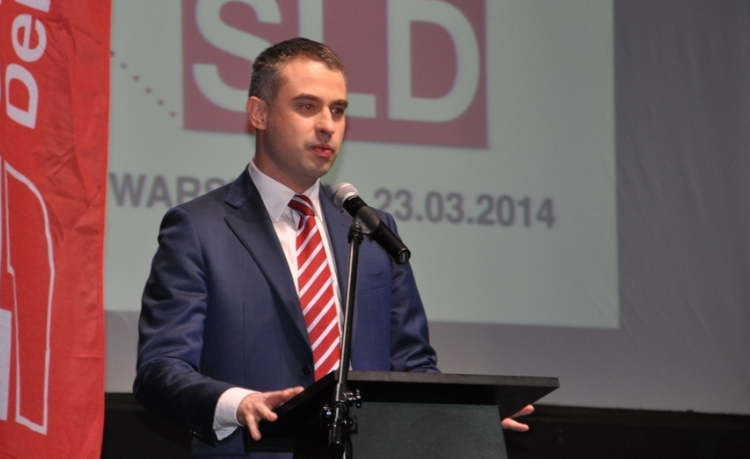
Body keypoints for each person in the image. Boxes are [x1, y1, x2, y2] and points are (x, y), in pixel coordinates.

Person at [133, 38, 532, 457]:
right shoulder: (199, 229)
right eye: (307, 106)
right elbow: (160, 370)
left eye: (338, 110)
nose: (327, 125)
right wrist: (239, 404)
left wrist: (461, 419)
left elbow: (411, 367)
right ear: (259, 113)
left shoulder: (371, 230)